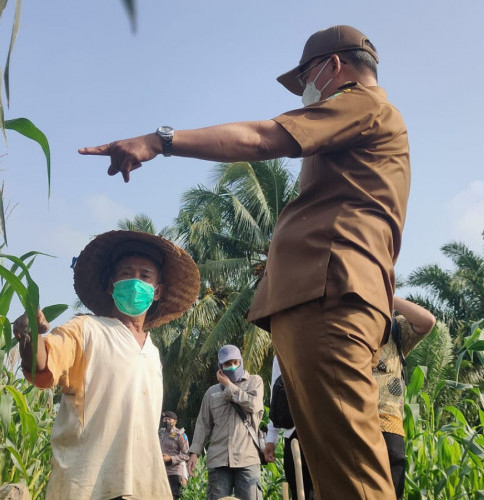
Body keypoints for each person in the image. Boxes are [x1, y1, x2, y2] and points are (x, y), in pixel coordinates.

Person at [80, 25, 410, 499]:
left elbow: (259, 138)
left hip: (332, 296)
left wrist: (160, 140)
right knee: (334, 471)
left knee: (354, 472)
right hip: (318, 299)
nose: (306, 97)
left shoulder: (366, 104)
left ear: (333, 66)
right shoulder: (356, 125)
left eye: (306, 82)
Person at [13, 230, 200, 500]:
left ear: (157, 291)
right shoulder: (87, 331)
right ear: (112, 284)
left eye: (145, 276)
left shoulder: (152, 353)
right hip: (89, 487)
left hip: (144, 488)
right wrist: (30, 337)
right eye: (126, 273)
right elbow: (41, 364)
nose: (135, 281)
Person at [376, 297, 436, 499]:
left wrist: (388, 295)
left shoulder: (395, 329)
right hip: (348, 424)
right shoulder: (342, 325)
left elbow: (427, 321)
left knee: (390, 492)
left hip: (388, 427)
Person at [188, 345, 264, 500]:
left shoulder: (254, 382)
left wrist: (229, 386)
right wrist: (194, 452)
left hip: (247, 458)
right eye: (227, 364)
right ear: (220, 367)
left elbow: (254, 405)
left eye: (235, 362)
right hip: (219, 460)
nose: (232, 366)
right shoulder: (212, 393)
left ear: (241, 362)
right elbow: (203, 424)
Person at [264, 356, 314, 500]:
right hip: (294, 434)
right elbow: (277, 393)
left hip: (324, 433)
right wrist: (271, 438)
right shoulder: (281, 351)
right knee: (299, 492)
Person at [159, 410, 190, 499]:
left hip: (174, 472)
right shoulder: (160, 434)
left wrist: (171, 459)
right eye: (165, 419)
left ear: (175, 421)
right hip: (161, 471)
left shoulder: (180, 435)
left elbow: (186, 454)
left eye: (169, 419)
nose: (166, 421)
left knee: (173, 496)